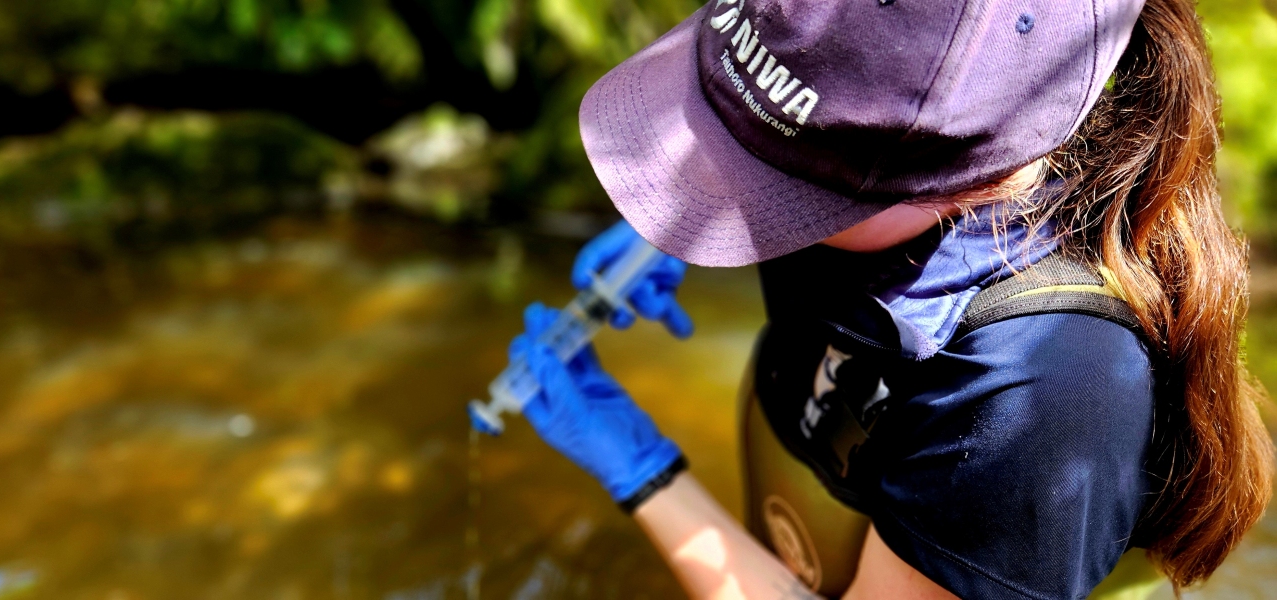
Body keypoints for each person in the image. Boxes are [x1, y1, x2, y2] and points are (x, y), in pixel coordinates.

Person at [496, 0, 1277, 597]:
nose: (746, 197)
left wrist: (644, 474)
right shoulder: (857, 126)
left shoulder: (1045, 391)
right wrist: (674, 218)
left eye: (773, 184)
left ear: (947, 181)